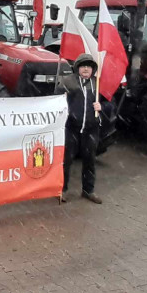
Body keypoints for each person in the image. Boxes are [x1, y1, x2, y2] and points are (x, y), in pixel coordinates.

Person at [56, 52, 104, 204]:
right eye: (83, 66)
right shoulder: (68, 82)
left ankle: (88, 190)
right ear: (77, 68)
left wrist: (101, 106)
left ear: (93, 69)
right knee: (66, 160)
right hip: (71, 128)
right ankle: (61, 190)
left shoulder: (97, 84)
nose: (85, 69)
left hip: (91, 129)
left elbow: (110, 105)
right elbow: (55, 100)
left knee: (89, 160)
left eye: (89, 67)